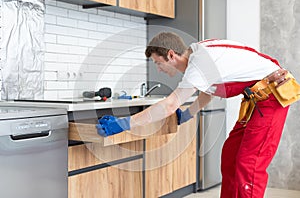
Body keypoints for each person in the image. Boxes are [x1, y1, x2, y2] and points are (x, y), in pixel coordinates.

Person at [96, 32, 294, 198]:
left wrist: (124, 123)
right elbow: (208, 91)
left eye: (158, 63)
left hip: (271, 96)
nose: (158, 69)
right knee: (230, 155)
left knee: (249, 163)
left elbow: (170, 104)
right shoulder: (198, 52)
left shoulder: (198, 64)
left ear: (171, 55)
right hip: (256, 98)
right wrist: (188, 114)